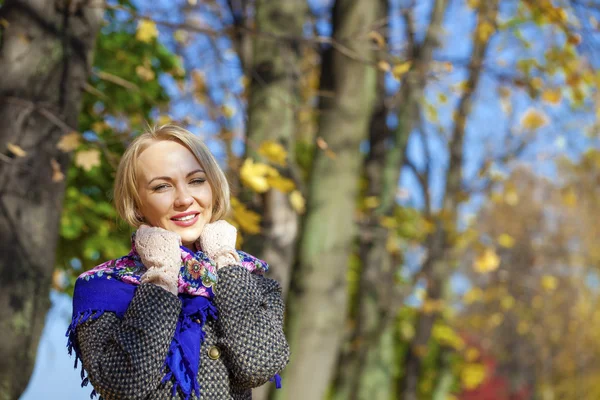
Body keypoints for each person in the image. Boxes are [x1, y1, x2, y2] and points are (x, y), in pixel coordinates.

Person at [66, 124, 290, 400]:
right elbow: (122, 385)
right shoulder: (103, 288)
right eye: (162, 186)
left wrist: (226, 261)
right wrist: (161, 276)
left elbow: (260, 365)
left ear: (214, 187)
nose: (185, 199)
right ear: (136, 204)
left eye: (196, 180)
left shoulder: (251, 280)